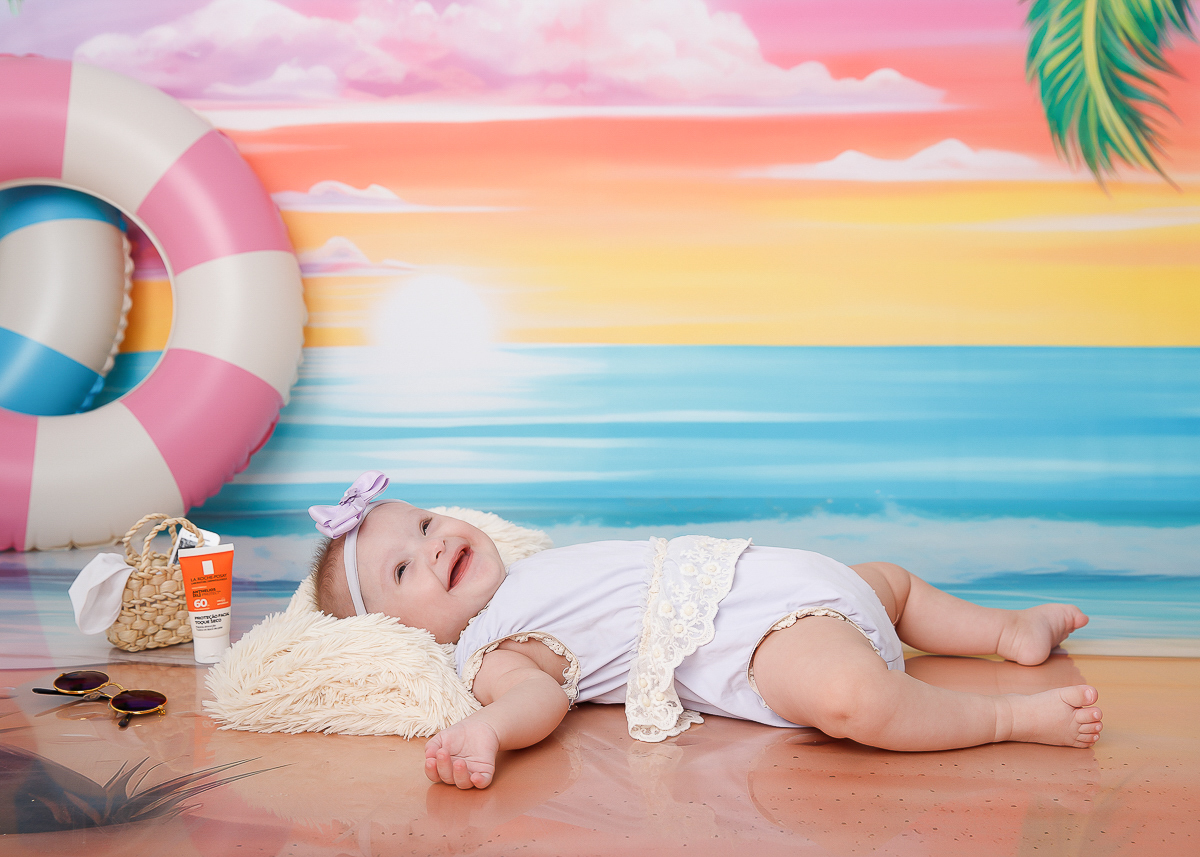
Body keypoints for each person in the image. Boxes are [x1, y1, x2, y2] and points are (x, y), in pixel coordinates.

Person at [308, 472, 1103, 791]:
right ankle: (1006, 718)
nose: (433, 542)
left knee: (887, 584)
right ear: (394, 631)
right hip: (757, 643)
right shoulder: (491, 649)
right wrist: (486, 728)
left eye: (423, 521)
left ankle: (1008, 630)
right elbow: (535, 700)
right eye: (403, 569)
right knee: (851, 697)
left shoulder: (529, 566)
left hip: (773, 577)